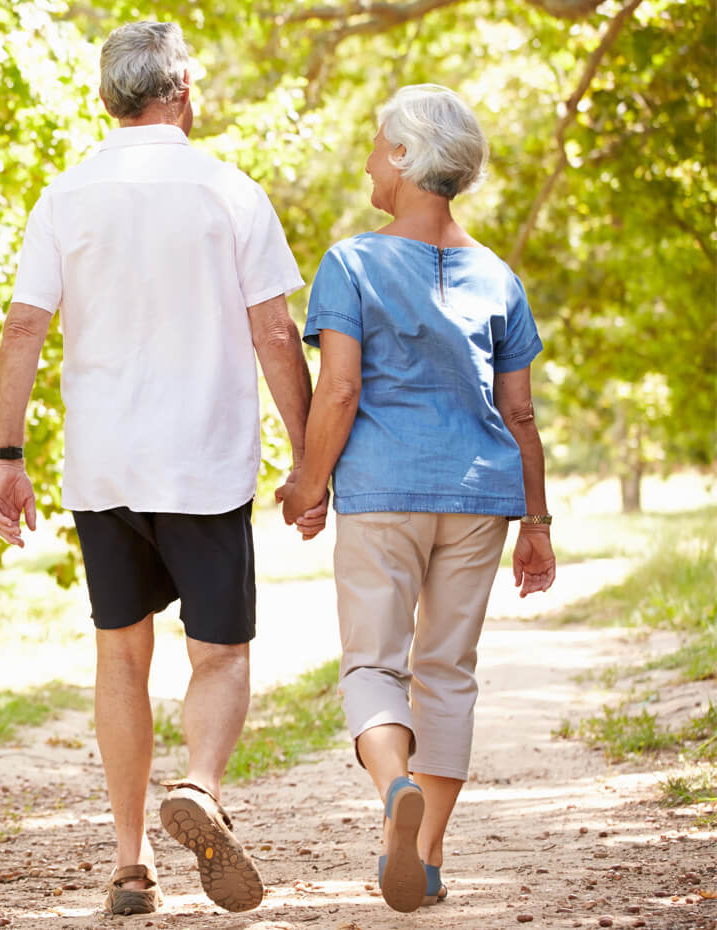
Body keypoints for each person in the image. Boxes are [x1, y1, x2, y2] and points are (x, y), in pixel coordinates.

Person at [0, 21, 314, 917]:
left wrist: (6, 457)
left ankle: (132, 865)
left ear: (109, 98)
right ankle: (200, 789)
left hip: (105, 465)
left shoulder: (65, 195)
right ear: (181, 92)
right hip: (204, 463)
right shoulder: (229, 191)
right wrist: (310, 457)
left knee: (120, 657)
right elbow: (276, 333)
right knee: (220, 655)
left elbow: (23, 327)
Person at [277, 83, 557, 913]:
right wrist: (537, 523)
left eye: (374, 143)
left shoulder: (353, 262)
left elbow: (338, 393)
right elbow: (521, 412)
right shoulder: (499, 275)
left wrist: (307, 482)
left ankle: (394, 785)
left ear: (402, 157)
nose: (368, 158)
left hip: (384, 492)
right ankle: (428, 852)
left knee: (374, 662)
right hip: (480, 498)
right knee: (447, 672)